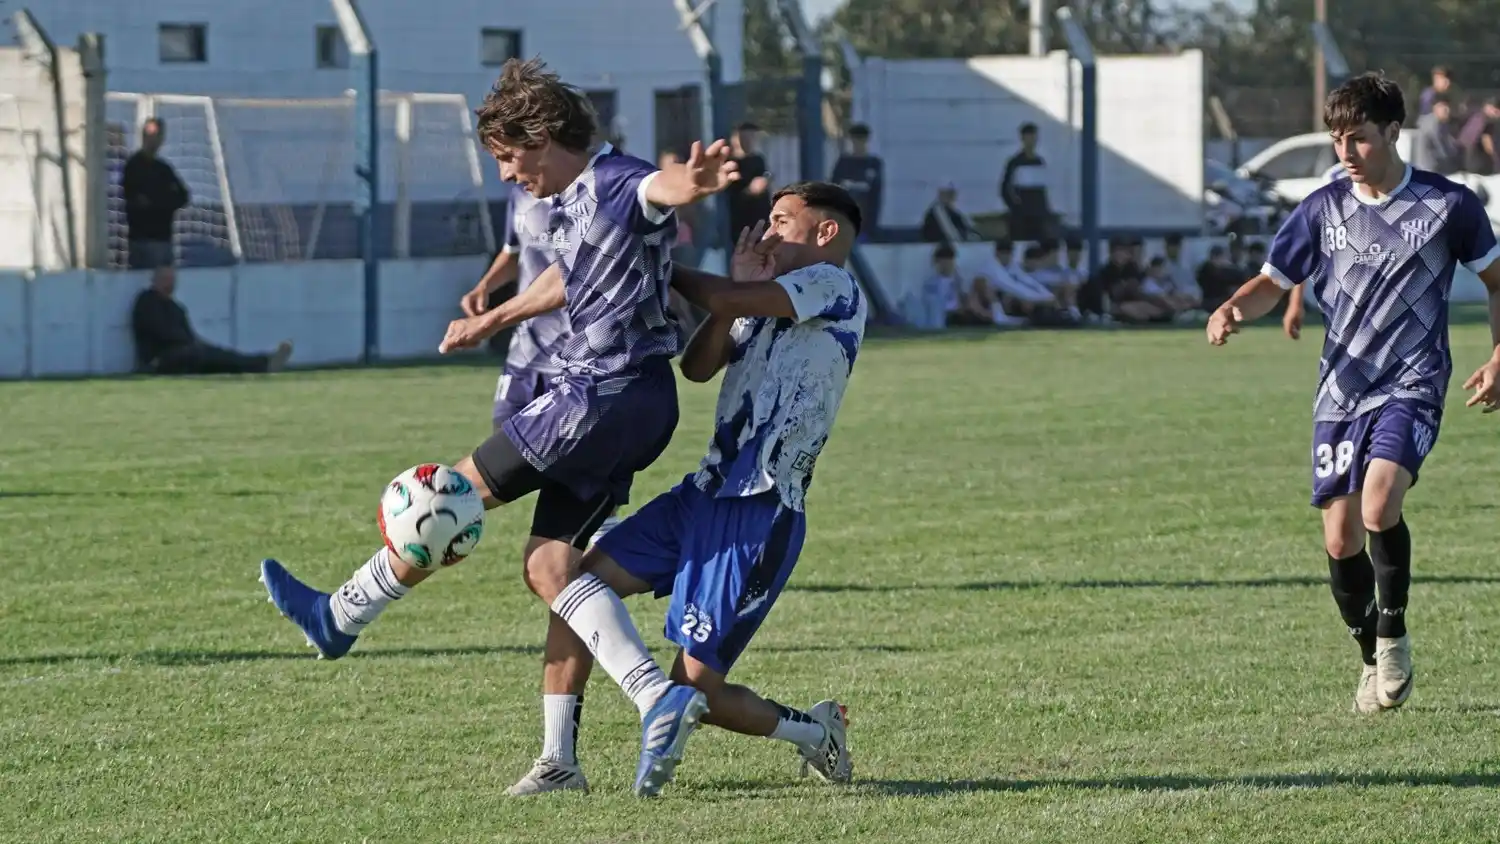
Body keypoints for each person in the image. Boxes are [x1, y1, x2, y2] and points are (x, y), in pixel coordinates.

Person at [259, 57, 736, 757]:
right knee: (550, 568)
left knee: (445, 495)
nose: (509, 175)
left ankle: (341, 614)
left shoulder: (614, 179)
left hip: (596, 395)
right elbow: (566, 278)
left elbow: (654, 192)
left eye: (511, 159)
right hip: (635, 405)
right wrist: (494, 319)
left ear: (542, 137)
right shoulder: (574, 199)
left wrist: (687, 183)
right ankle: (567, 755)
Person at [511, 182, 863, 798]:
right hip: (702, 493)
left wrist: (655, 261)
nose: (769, 232)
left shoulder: (833, 285)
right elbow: (698, 366)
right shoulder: (767, 299)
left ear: (825, 233)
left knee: (700, 690)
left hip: (760, 508)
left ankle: (814, 732)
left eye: (782, 221)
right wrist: (730, 302)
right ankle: (557, 760)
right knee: (575, 586)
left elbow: (722, 294)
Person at [1207, 72, 1500, 714]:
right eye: (1337, 139)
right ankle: (1370, 652)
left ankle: (1392, 636)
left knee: (1379, 502)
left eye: (1359, 139)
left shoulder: (1448, 206)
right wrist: (1233, 307)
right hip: (1341, 389)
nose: (1345, 152)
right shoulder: (1320, 208)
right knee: (1339, 540)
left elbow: (1498, 280)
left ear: (1394, 132)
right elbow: (1271, 278)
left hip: (1414, 381)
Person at [131, 265, 292, 374]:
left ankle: (263, 362)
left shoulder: (176, 307)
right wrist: (190, 343)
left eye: (173, 280)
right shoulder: (146, 301)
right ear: (156, 281)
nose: (171, 284)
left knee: (216, 354)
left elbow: (186, 334)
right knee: (202, 353)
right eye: (167, 280)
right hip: (158, 359)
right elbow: (160, 332)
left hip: (182, 353)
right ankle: (263, 363)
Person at [122, 118, 189, 271]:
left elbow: (183, 196)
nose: (151, 139)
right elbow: (136, 199)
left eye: (155, 135)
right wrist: (161, 202)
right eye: (148, 134)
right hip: (141, 239)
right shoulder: (134, 166)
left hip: (163, 238)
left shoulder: (163, 169)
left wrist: (162, 202)